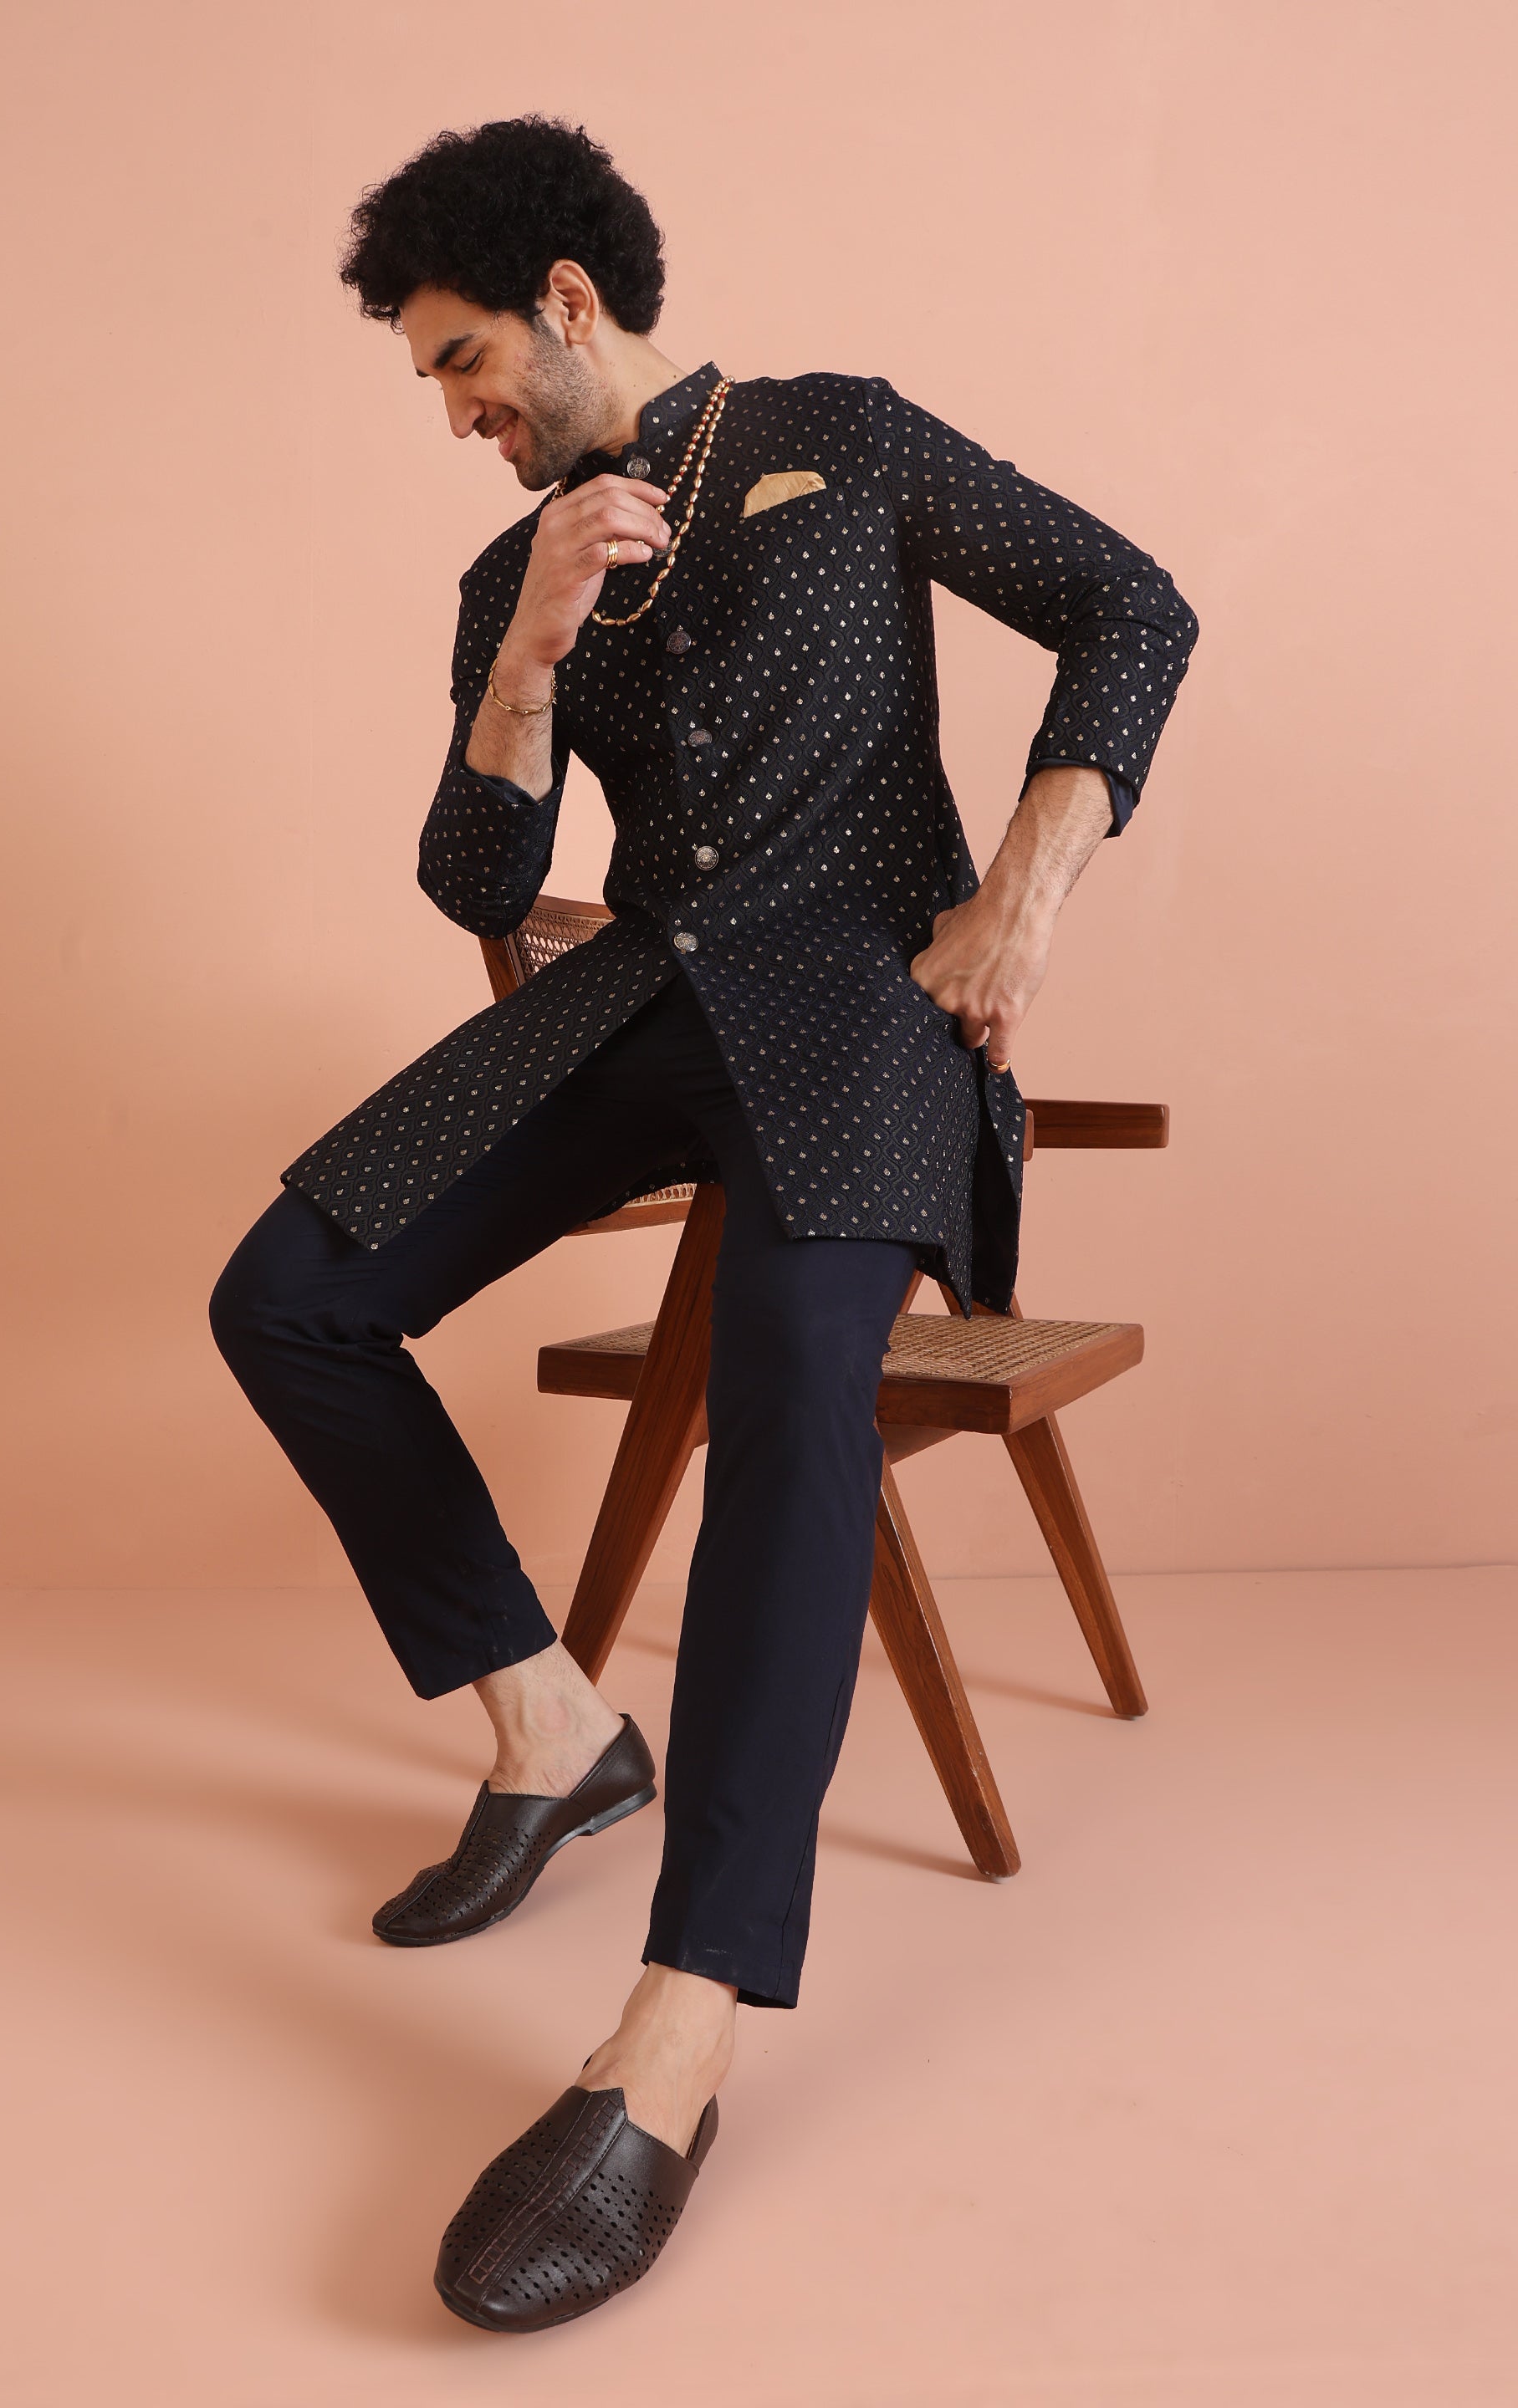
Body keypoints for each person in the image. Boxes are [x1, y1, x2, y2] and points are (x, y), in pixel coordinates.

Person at [208, 114, 1197, 2331]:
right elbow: (478, 882)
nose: (454, 413)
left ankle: (683, 2025)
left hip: (869, 1006)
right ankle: (553, 1730)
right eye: (434, 381)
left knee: (788, 1381)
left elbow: (1132, 606)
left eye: (464, 360)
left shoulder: (844, 441)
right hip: (639, 999)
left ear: (567, 302)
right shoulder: (518, 572)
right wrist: (530, 647)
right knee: (285, 1294)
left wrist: (1023, 889)